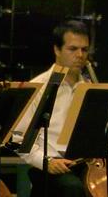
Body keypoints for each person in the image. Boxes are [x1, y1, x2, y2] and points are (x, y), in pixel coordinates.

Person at [14, 20, 90, 197]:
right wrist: (46, 161)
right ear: (57, 50)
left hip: (83, 162)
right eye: (73, 49)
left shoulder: (90, 87)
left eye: (84, 49)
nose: (80, 55)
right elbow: (17, 139)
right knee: (72, 189)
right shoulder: (38, 86)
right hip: (51, 163)